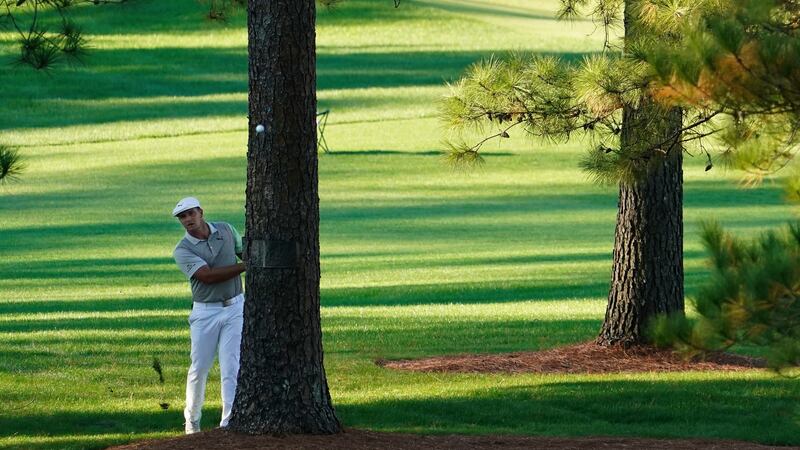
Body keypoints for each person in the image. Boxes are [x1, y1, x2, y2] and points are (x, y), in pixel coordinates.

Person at [171, 196, 246, 434]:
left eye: (191, 213)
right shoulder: (182, 250)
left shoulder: (226, 230)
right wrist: (248, 266)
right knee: (200, 367)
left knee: (231, 365)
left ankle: (228, 421)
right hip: (205, 313)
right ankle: (192, 420)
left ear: (201, 212)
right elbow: (207, 276)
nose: (187, 219)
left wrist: (251, 259)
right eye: (182, 217)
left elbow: (243, 251)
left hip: (236, 307)